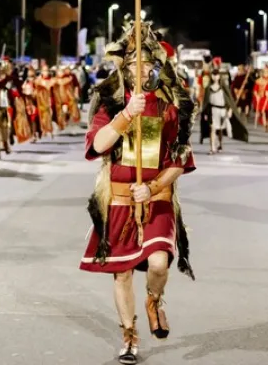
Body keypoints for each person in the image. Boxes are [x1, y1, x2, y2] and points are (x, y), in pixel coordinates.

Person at [80, 22, 196, 365]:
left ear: (156, 67)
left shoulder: (170, 106)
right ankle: (129, 335)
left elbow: (181, 161)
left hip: (156, 200)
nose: (140, 71)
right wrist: (125, 116)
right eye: (132, 65)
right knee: (122, 272)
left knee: (159, 263)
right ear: (124, 68)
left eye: (146, 65)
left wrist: (155, 186)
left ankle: (154, 298)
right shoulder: (109, 102)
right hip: (117, 199)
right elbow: (99, 145)